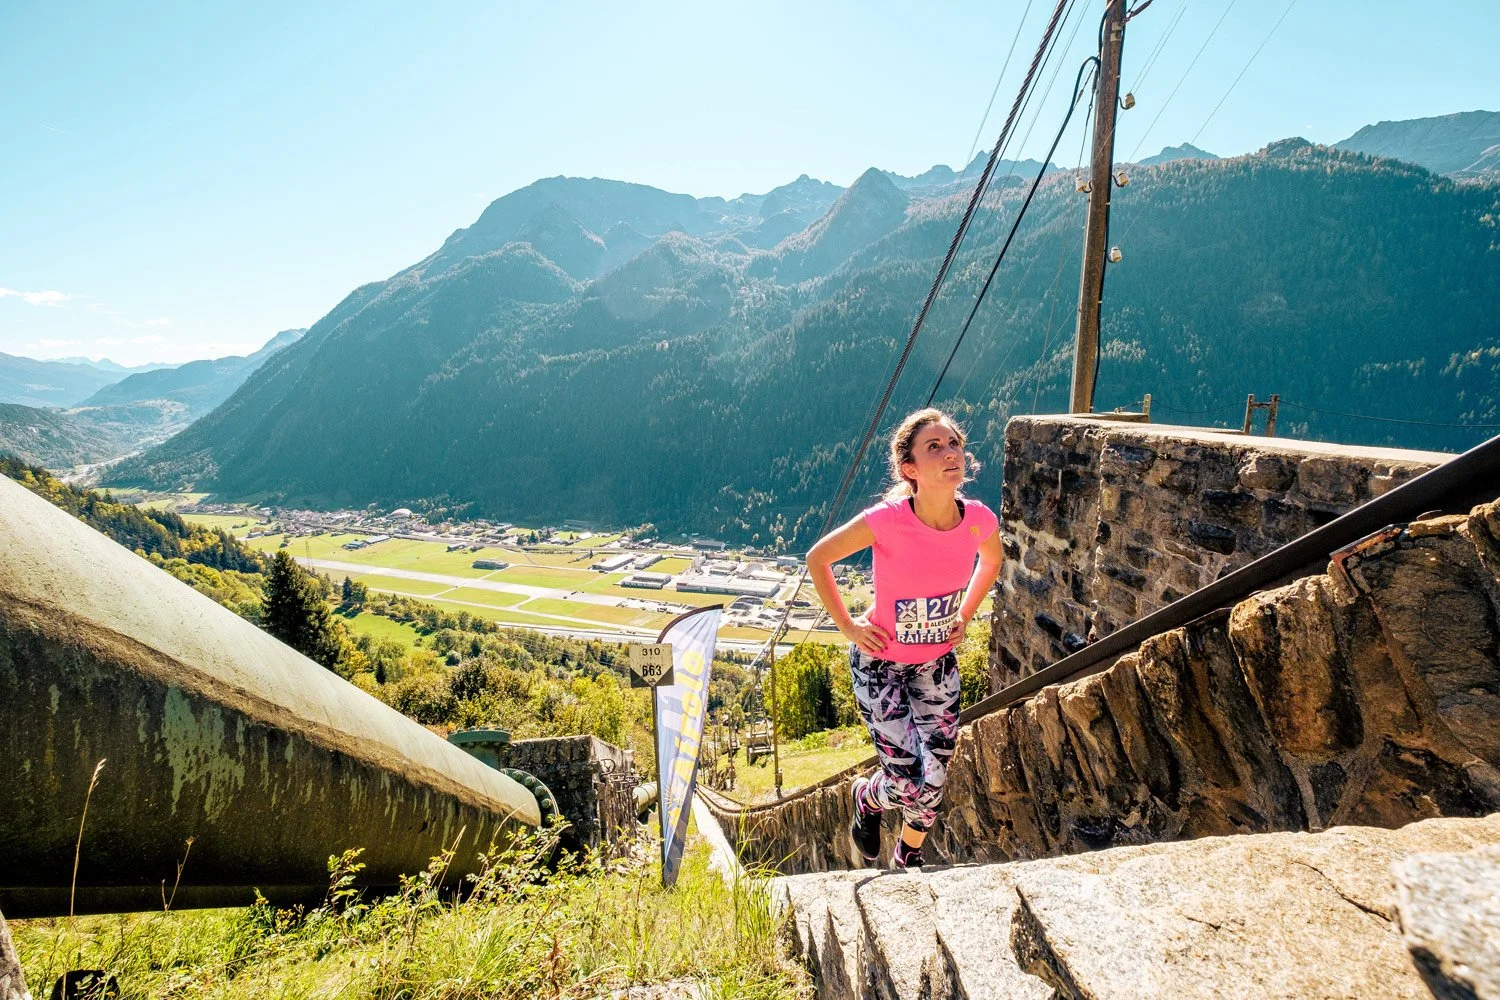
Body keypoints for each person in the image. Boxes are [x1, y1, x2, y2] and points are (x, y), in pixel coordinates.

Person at [806, 407, 1003, 868]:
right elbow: (819, 559)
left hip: (936, 665)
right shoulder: (889, 519)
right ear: (909, 469)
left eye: (953, 442)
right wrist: (849, 627)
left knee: (935, 777)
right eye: (933, 446)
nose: (949, 452)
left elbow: (990, 562)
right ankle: (869, 797)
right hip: (880, 667)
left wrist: (966, 613)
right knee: (912, 779)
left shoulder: (978, 519)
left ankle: (906, 857)